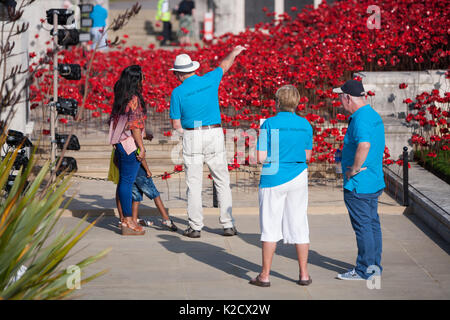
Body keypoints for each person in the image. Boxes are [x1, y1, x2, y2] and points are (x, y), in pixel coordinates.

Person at [169, 46, 246, 238]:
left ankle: (195, 227)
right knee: (222, 180)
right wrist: (233, 52)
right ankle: (228, 224)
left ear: (178, 74)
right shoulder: (210, 79)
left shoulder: (177, 92)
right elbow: (225, 65)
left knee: (193, 184)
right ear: (194, 69)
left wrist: (186, 135)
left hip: (192, 134)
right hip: (214, 132)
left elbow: (175, 123)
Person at [249, 85, 313, 287]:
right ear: (297, 102)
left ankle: (265, 275)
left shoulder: (269, 124)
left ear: (277, 102)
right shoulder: (305, 124)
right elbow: (307, 156)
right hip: (298, 176)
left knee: (270, 226)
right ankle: (304, 274)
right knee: (299, 224)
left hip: (272, 177)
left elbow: (260, 157)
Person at [332, 79, 385, 280]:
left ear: (347, 98)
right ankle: (373, 267)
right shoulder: (370, 114)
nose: (339, 102)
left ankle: (365, 270)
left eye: (340, 97)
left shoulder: (361, 118)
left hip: (359, 184)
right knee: (371, 225)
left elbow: (364, 145)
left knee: (364, 227)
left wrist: (353, 169)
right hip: (372, 181)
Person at [114, 129, 178, 232]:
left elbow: (115, 161)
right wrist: (148, 170)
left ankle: (134, 220)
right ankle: (166, 218)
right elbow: (141, 158)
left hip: (131, 176)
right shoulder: (134, 144)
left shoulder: (120, 144)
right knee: (155, 195)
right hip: (141, 174)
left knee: (136, 198)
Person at [109, 65, 147, 235]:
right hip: (129, 145)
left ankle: (125, 220)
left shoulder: (120, 96)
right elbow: (135, 126)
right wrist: (141, 147)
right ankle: (129, 221)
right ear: (136, 79)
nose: (144, 80)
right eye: (141, 77)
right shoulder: (133, 99)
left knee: (123, 182)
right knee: (127, 182)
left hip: (119, 144)